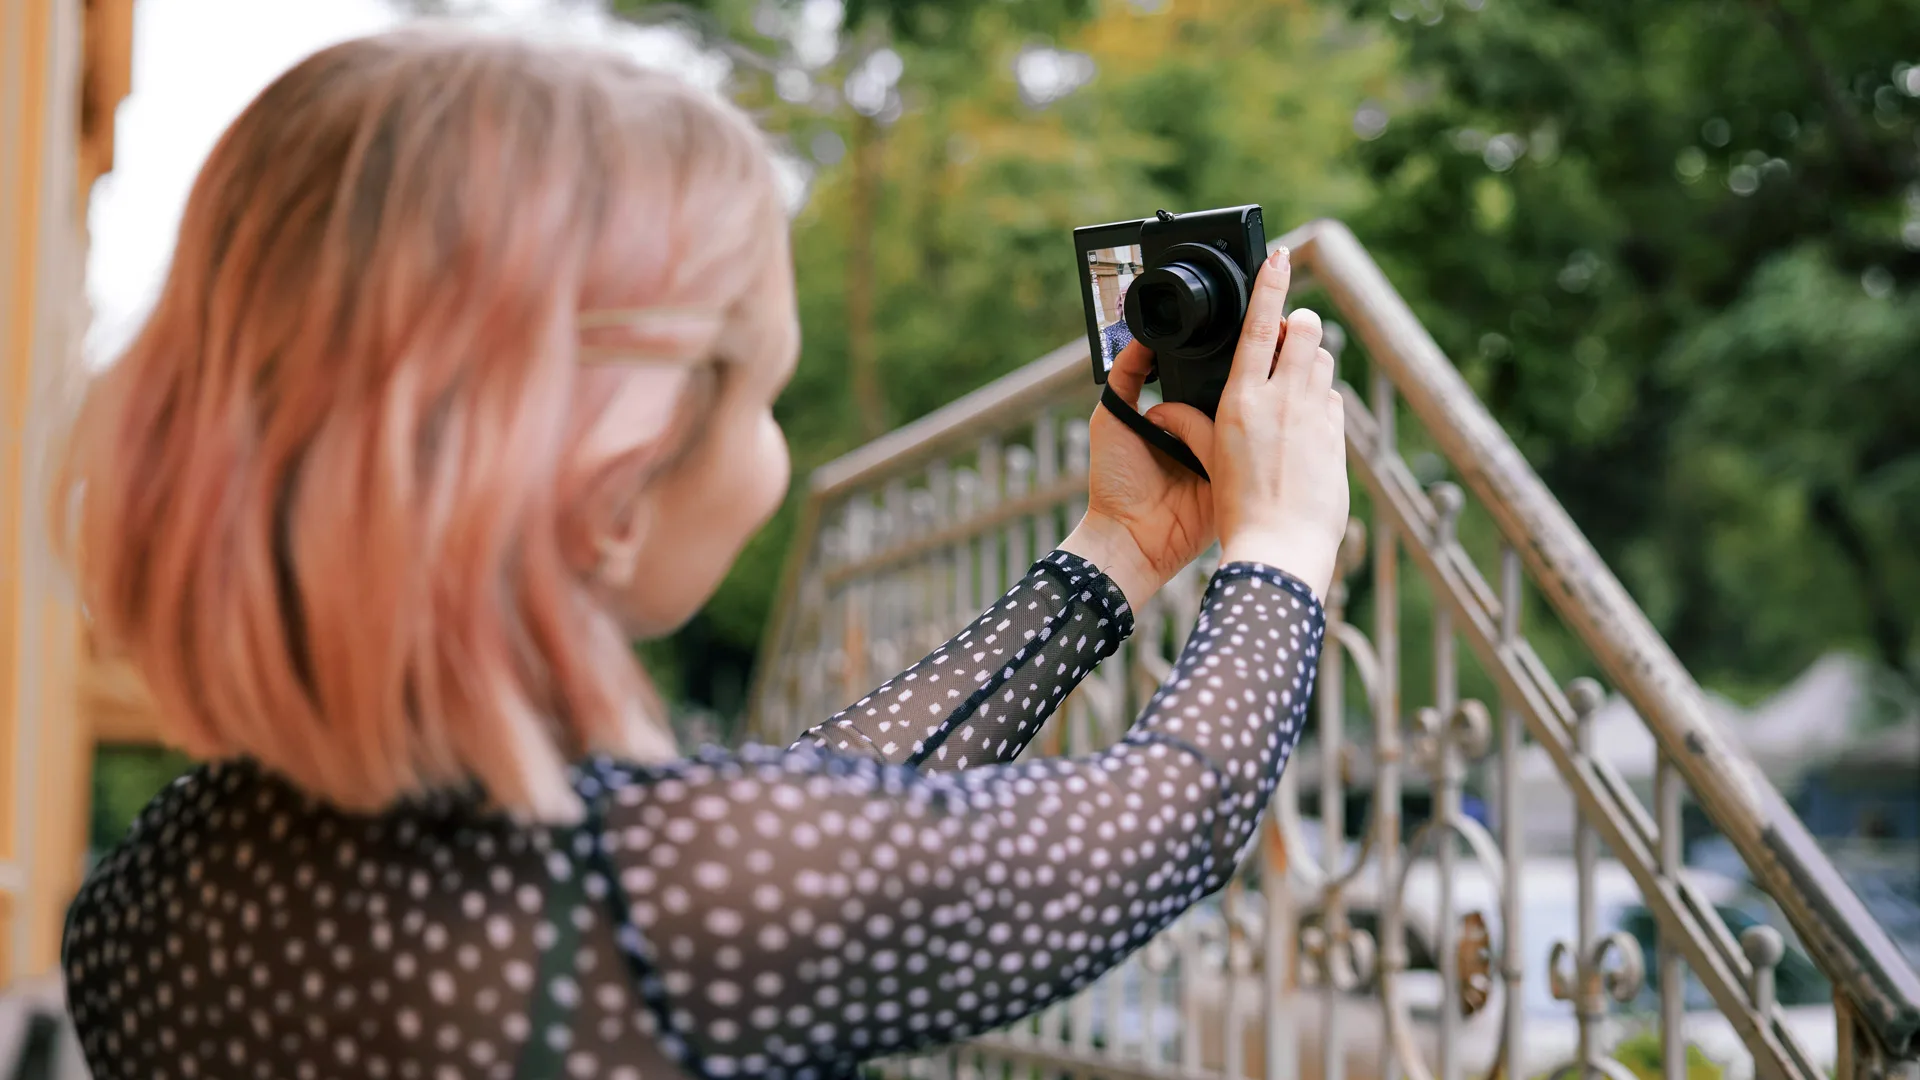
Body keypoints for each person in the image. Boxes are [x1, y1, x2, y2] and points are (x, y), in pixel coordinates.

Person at [55, 27, 1349, 1080]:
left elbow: (790, 831)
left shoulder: (160, 883)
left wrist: (1111, 555)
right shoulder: (638, 912)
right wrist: (1279, 548)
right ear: (616, 491)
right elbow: (1162, 822)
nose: (774, 445)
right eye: (761, 400)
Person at [1101, 279, 1134, 368]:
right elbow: (1108, 364)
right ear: (1120, 301)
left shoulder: (1149, 326)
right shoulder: (1109, 333)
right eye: (1126, 296)